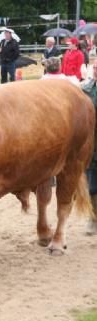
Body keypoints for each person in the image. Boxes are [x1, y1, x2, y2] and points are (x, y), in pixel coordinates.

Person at [82, 59, 97, 235]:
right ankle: (93, 219)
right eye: (94, 68)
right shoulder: (86, 89)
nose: (95, 71)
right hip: (91, 142)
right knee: (92, 184)